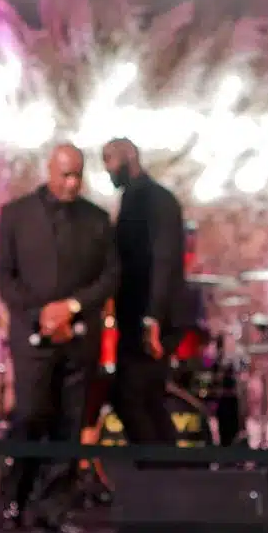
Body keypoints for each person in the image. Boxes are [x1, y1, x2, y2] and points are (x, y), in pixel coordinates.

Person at [0, 142, 118, 531]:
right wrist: (43, 315)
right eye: (65, 174)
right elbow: (4, 276)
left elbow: (110, 276)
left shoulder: (97, 219)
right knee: (30, 415)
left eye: (78, 174)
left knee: (70, 420)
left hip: (79, 337)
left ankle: (55, 508)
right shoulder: (16, 214)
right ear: (49, 170)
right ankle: (16, 496)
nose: (72, 182)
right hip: (32, 335)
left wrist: (72, 308)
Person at [103, 137, 185, 447]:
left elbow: (164, 261)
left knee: (134, 397)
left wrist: (153, 317)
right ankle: (162, 473)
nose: (108, 169)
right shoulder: (135, 198)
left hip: (149, 319)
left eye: (109, 160)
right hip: (139, 317)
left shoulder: (155, 200)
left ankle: (161, 472)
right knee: (144, 400)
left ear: (128, 158)